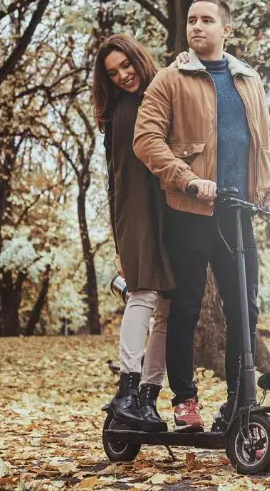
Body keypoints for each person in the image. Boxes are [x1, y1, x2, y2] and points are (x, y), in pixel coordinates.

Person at [134, 0, 270, 431]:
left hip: (238, 214)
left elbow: (265, 144)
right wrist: (187, 178)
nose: (197, 27)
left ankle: (239, 399)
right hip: (190, 211)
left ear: (226, 30)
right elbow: (147, 140)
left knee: (245, 309)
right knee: (186, 305)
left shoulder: (248, 79)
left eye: (206, 20)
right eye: (192, 20)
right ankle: (185, 401)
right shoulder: (170, 79)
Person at [92, 34, 176, 433]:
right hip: (138, 211)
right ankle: (127, 389)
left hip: (170, 211)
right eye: (113, 73)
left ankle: (148, 397)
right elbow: (125, 178)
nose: (124, 75)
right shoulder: (125, 111)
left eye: (126, 65)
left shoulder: (161, 93)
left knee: (169, 306)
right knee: (143, 292)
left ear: (138, 59)